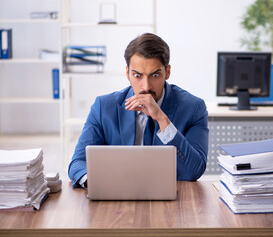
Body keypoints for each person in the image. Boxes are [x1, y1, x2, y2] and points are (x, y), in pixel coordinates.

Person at [68, 33, 209, 188]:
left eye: (155, 75)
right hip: (116, 197)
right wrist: (96, 183)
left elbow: (194, 170)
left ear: (167, 72)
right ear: (127, 73)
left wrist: (162, 120)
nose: (146, 86)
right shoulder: (103, 107)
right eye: (137, 75)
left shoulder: (193, 108)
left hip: (171, 201)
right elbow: (78, 163)